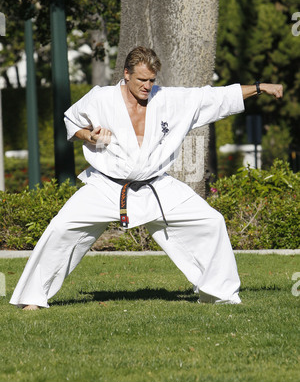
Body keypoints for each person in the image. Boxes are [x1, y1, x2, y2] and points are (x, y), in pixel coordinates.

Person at [10, 46, 283, 310]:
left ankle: (219, 295)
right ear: (126, 74)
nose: (147, 85)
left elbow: (214, 97)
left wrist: (260, 87)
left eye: (152, 80)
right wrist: (89, 135)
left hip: (156, 186)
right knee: (61, 228)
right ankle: (32, 296)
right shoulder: (101, 98)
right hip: (106, 185)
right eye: (141, 79)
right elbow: (72, 121)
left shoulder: (167, 99)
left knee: (211, 221)